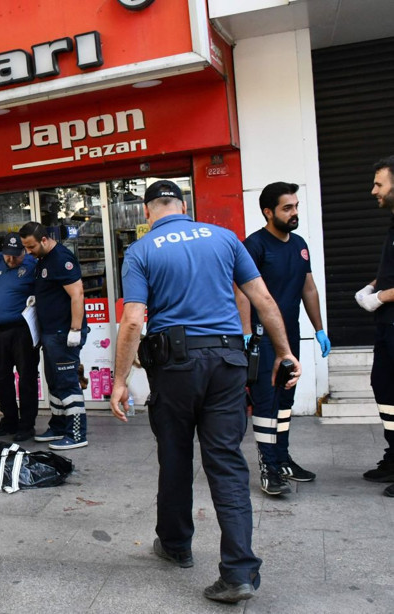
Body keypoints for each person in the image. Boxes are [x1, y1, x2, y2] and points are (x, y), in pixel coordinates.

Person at [108, 180, 301, 604]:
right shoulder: (224, 238)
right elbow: (262, 298)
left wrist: (120, 380)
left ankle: (176, 546)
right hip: (229, 363)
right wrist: (284, 353)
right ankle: (238, 572)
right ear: (184, 205)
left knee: (175, 456)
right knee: (228, 463)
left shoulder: (142, 251)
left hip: (176, 367)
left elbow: (134, 320)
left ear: (147, 212)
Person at [235, 182, 330, 496]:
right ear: (268, 211)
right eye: (287, 208)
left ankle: (283, 458)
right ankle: (269, 467)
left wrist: (318, 329)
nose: (294, 213)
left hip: (291, 336)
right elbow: (243, 292)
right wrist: (247, 333)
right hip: (263, 340)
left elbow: (309, 288)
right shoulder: (255, 246)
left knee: (286, 401)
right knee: (266, 402)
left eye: (296, 206)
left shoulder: (299, 244)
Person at [19, 221, 88, 450]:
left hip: (63, 333)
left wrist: (75, 330)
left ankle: (76, 432)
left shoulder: (61, 259)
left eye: (31, 247)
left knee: (67, 383)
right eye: (25, 248)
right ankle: (58, 426)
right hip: (50, 333)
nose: (28, 252)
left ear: (45, 240)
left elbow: (77, 294)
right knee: (54, 382)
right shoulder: (43, 260)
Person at [0, 232, 40, 442]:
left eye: (16, 255)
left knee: (27, 377)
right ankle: (9, 419)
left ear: (24, 250)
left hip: (22, 330)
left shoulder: (33, 264)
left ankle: (27, 424)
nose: (11, 260)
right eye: (7, 255)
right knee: (1, 377)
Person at [356, 156, 394, 498]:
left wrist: (380, 296)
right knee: (384, 388)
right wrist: (372, 287)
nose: (373, 191)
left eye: (379, 184)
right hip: (387, 325)